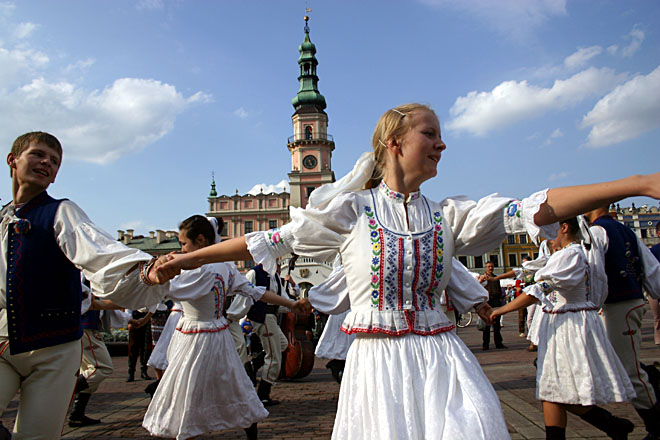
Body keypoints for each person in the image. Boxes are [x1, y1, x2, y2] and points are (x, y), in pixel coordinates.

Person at [158, 103, 660, 439]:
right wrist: (182, 259)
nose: (442, 144)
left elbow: (538, 206)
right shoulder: (352, 211)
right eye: (431, 134)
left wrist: (637, 182)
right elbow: (264, 242)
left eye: (442, 136)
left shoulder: (447, 215)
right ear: (395, 141)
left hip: (441, 356)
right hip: (377, 366)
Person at [0, 132, 170, 439]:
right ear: (12, 160)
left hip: (53, 346)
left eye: (54, 161)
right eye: (38, 154)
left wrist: (146, 270)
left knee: (37, 433)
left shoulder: (61, 211)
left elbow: (99, 251)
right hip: (3, 338)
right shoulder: (2, 220)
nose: (46, 163)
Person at [142, 215, 307, 440]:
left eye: (184, 243)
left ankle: (181, 428)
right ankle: (250, 428)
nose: (181, 249)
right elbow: (255, 291)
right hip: (218, 333)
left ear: (200, 240)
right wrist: (291, 303)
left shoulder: (199, 271)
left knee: (186, 390)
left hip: (195, 336)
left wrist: (150, 274)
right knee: (234, 383)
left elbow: (160, 289)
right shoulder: (225, 266)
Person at [490, 217, 636, 439]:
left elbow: (540, 289)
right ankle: (613, 425)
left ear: (564, 228)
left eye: (551, 231)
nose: (548, 238)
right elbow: (532, 274)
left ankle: (613, 424)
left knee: (556, 391)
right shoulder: (565, 255)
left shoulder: (572, 254)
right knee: (553, 389)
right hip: (563, 322)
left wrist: (500, 310)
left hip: (570, 326)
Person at [585, 206, 660, 440]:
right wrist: (649, 291)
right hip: (630, 300)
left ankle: (657, 426)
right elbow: (652, 269)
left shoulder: (597, 232)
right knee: (620, 363)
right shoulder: (626, 231)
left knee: (629, 370)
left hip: (618, 303)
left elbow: (595, 272)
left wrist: (592, 302)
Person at [68, 281, 114, 427]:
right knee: (101, 368)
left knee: (88, 370)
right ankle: (64, 393)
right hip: (85, 327)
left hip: (85, 326)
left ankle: (77, 414)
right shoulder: (85, 275)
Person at [244, 264, 290, 406]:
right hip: (262, 315)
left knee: (283, 344)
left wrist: (294, 305)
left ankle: (254, 364)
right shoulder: (254, 273)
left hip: (272, 315)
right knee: (274, 355)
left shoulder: (275, 276)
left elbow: (281, 298)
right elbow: (245, 295)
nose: (277, 264)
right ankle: (263, 394)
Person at [479, 261, 507, 350]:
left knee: (497, 324)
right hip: (487, 302)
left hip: (496, 301)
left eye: (492, 266)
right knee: (487, 323)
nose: (490, 268)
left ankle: (498, 343)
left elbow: (499, 289)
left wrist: (500, 299)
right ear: (486, 268)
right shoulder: (483, 278)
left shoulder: (496, 278)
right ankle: (485, 344)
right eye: (488, 266)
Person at [126, 307, 153, 382]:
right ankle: (131, 372)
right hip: (134, 320)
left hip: (147, 319)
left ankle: (144, 371)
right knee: (133, 348)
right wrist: (129, 321)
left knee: (145, 348)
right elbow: (128, 307)